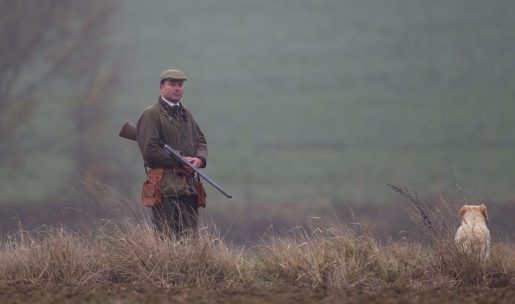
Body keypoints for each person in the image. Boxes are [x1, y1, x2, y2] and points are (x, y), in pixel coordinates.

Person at [136, 69, 208, 238]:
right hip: (165, 187)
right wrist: (180, 160)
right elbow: (150, 151)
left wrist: (199, 159)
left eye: (180, 85)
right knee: (165, 238)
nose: (177, 88)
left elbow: (201, 142)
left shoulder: (186, 114)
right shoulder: (151, 114)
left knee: (190, 239)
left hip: (189, 187)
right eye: (172, 84)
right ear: (162, 87)